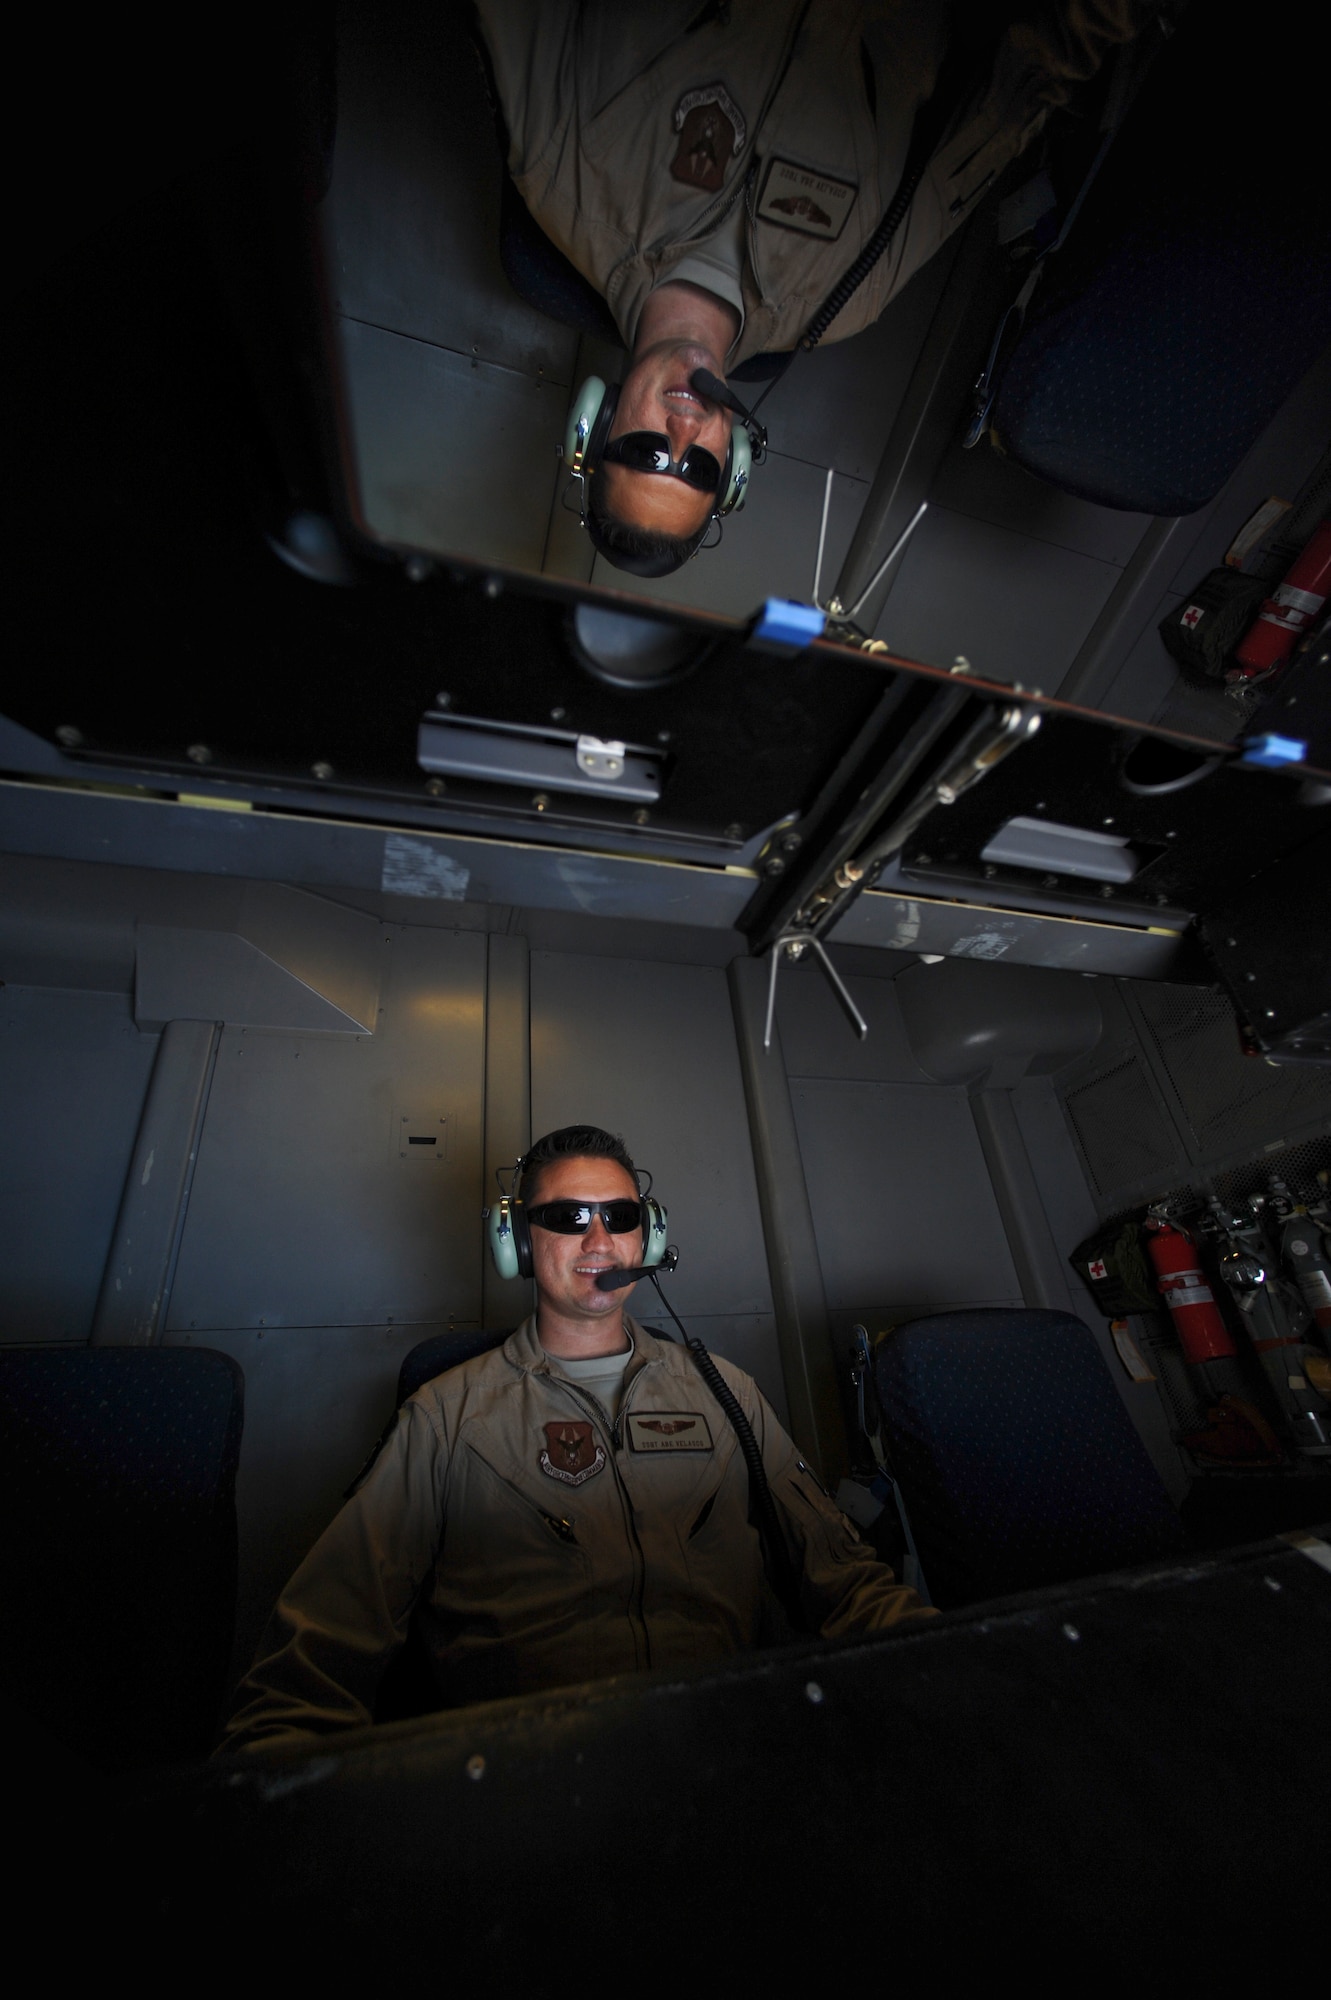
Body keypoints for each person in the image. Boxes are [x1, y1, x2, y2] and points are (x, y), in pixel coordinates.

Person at [222, 1123, 932, 1750]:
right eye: (567, 1217)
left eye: (619, 1216)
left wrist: (946, 1667)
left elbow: (842, 1580)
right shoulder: (447, 1415)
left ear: (646, 1235)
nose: (598, 1241)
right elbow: (317, 1650)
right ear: (518, 1241)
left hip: (728, 1741)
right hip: (529, 1774)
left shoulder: (725, 1391)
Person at [474, 0, 1153, 571]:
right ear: (732, 458)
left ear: (594, 424)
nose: (683, 428)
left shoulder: (560, 175)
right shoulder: (849, 299)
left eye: (648, 452)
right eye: (698, 468)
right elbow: (1028, 82)